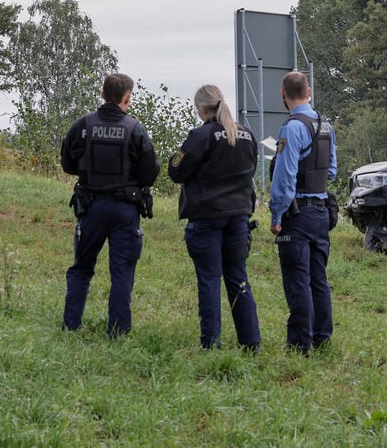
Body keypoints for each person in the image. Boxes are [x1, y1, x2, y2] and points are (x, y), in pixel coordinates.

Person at [60, 73, 160, 337]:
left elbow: (67, 163)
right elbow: (151, 172)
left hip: (90, 207)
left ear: (103, 95)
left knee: (81, 268)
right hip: (124, 209)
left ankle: (70, 326)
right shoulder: (135, 128)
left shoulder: (82, 125)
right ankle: (118, 331)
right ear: (127, 98)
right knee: (122, 271)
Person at [168, 85, 261, 351]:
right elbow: (251, 169)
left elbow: (176, 171)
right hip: (239, 217)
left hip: (206, 217)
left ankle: (211, 343)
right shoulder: (247, 134)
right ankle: (251, 341)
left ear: (201, 108)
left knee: (209, 280)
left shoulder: (201, 136)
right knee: (238, 278)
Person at [269, 71, 337, 354]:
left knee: (297, 279)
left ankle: (300, 344)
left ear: (283, 94)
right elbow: (331, 170)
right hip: (321, 212)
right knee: (318, 278)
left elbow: (284, 179)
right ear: (308, 92)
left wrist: (276, 216)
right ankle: (322, 336)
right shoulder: (325, 126)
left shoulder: (292, 128)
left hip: (297, 214)